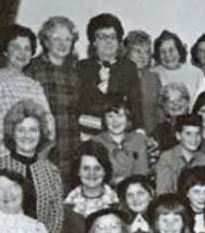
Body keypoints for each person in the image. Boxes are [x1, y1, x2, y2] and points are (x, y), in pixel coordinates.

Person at [0, 98, 66, 233]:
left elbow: (57, 216)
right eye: (21, 130)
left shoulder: (52, 171)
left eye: (33, 130)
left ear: (41, 134)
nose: (27, 135)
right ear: (12, 133)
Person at [0, 23, 55, 161]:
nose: (22, 53)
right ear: (5, 50)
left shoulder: (34, 85)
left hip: (34, 156)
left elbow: (48, 120)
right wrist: (20, 147)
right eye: (16, 47)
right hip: (4, 154)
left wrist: (40, 146)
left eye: (27, 49)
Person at [25, 16, 81, 176]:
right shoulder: (33, 69)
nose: (62, 44)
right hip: (44, 152)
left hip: (72, 149)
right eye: (56, 38)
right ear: (46, 41)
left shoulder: (75, 71)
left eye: (68, 39)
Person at [75, 13, 142, 144]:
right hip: (88, 134)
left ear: (118, 41)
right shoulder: (82, 67)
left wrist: (140, 130)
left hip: (120, 135)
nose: (108, 41)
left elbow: (135, 103)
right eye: (102, 37)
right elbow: (80, 104)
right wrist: (99, 89)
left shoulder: (128, 67)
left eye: (112, 37)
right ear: (93, 41)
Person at [57, 141, 120, 233]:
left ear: (105, 171)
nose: (92, 174)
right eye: (86, 168)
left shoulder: (118, 204)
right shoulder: (67, 207)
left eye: (97, 168)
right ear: (78, 171)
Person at [95, 92, 150, 183]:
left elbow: (142, 172)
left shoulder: (138, 139)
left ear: (128, 118)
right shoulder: (96, 142)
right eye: (110, 116)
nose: (115, 122)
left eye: (120, 116)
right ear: (104, 119)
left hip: (134, 190)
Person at [153, 113, 205, 196]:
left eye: (197, 134)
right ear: (178, 136)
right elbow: (163, 192)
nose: (194, 139)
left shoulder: (202, 158)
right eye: (188, 134)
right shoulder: (167, 158)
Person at [123, 30, 164, 136]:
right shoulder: (118, 75)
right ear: (127, 52)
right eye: (138, 51)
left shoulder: (154, 78)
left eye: (147, 52)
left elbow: (160, 111)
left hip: (152, 137)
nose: (143, 56)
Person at [153, 30, 204, 100]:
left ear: (179, 50)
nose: (167, 55)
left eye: (171, 50)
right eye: (162, 52)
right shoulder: (153, 73)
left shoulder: (196, 73)